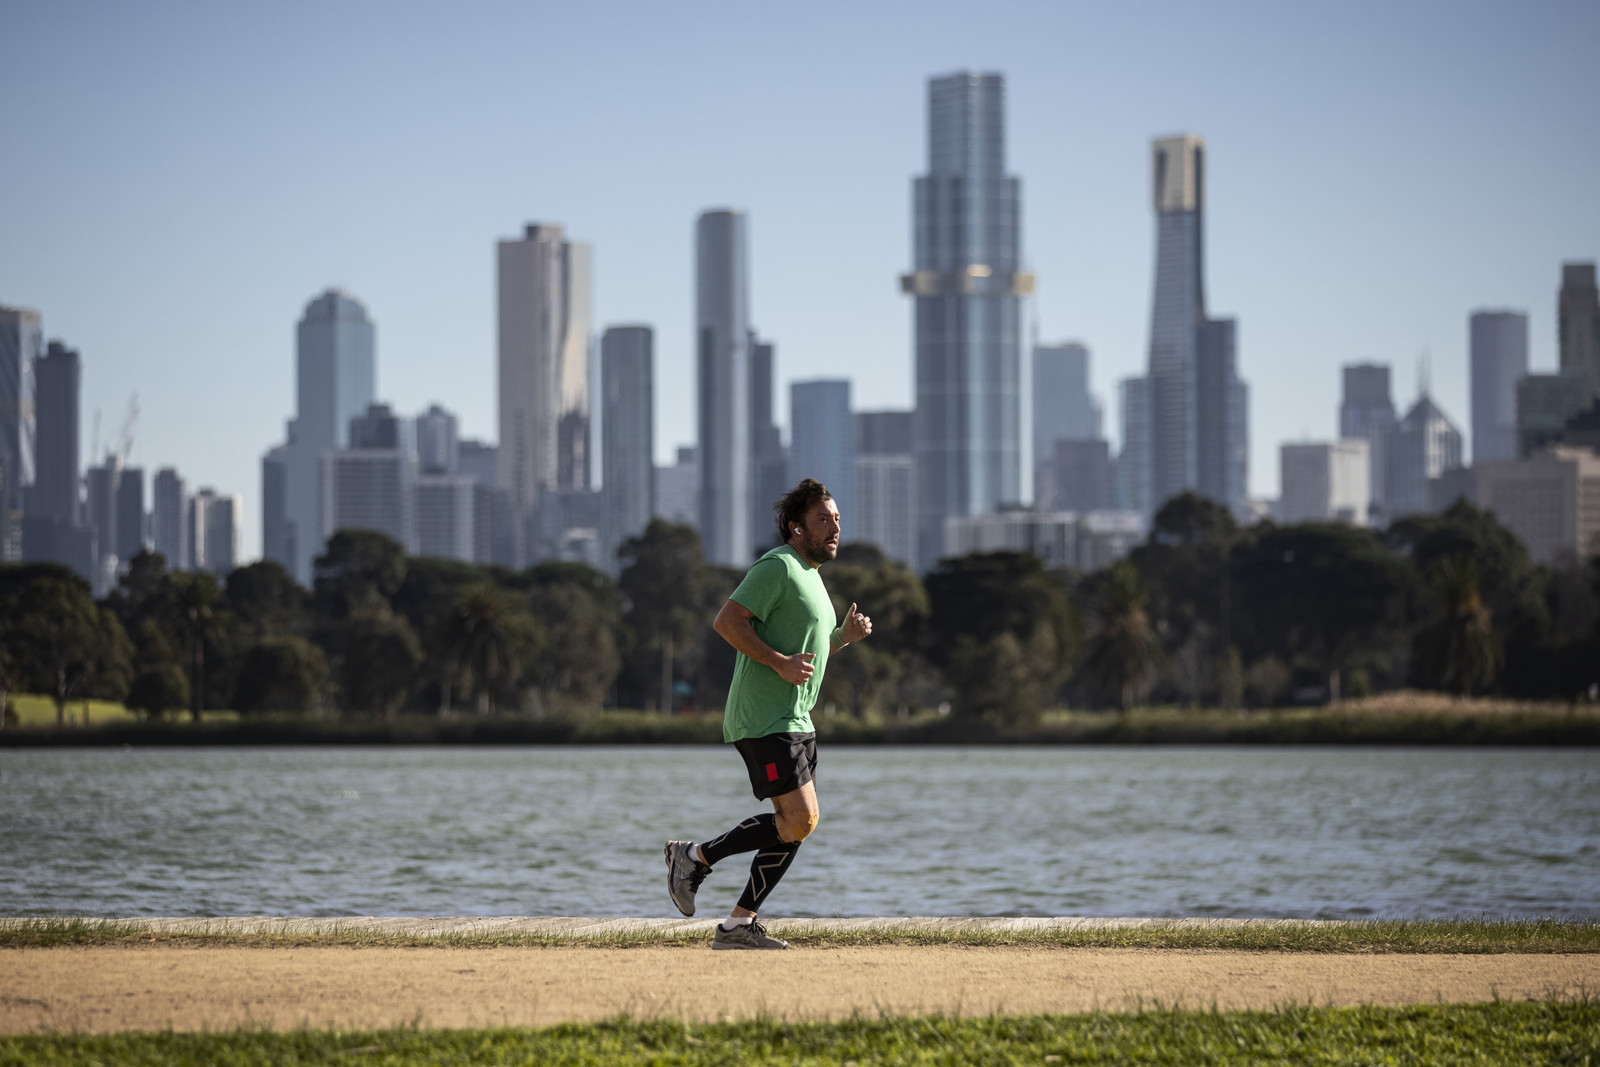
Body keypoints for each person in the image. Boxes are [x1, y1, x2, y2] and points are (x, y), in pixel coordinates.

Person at [663, 478, 872, 950]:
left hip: (796, 719)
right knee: (799, 820)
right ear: (796, 528)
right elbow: (726, 622)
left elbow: (808, 656)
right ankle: (693, 858)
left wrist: (843, 638)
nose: (835, 527)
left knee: (798, 823)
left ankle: (737, 923)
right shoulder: (777, 566)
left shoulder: (812, 577)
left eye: (837, 518)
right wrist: (778, 663)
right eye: (824, 519)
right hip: (765, 717)